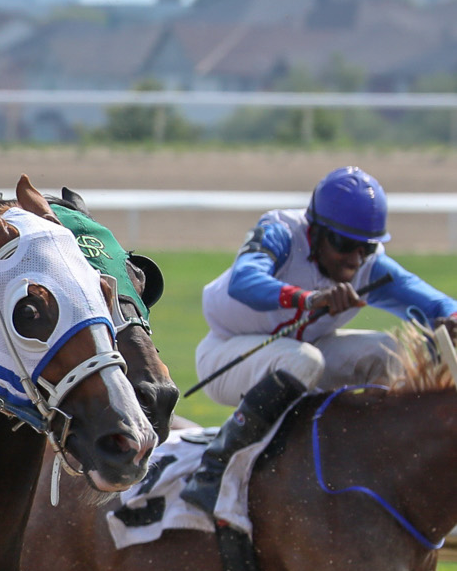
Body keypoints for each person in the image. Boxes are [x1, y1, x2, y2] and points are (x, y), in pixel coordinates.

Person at [181, 165, 457, 514]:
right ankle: (213, 470)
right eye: (344, 245)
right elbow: (244, 280)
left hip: (304, 354)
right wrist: (307, 298)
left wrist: (451, 320)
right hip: (226, 356)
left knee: (391, 351)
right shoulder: (281, 232)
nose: (355, 260)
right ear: (315, 232)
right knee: (304, 359)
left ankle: (372, 461)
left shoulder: (372, 265)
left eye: (367, 247)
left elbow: (439, 305)